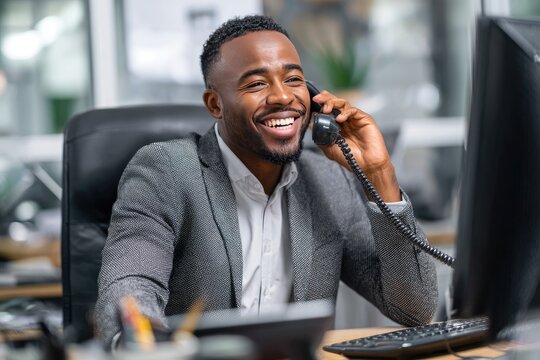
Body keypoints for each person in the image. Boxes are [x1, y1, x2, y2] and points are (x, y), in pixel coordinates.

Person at [95, 15, 438, 347]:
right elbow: (130, 289)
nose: (283, 97)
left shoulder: (327, 180)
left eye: (293, 80)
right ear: (215, 104)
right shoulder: (165, 172)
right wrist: (145, 346)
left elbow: (414, 308)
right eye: (257, 84)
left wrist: (379, 174)